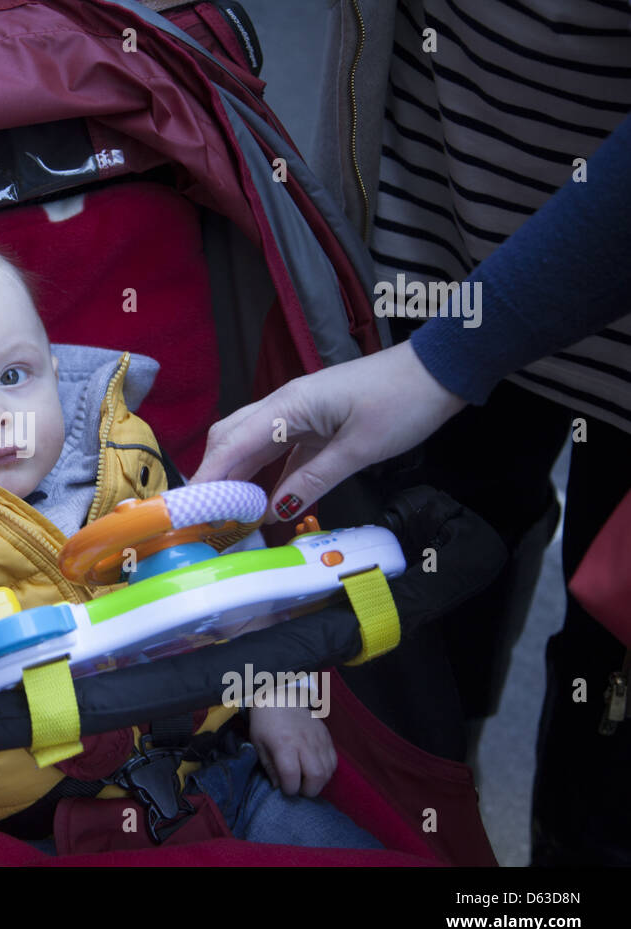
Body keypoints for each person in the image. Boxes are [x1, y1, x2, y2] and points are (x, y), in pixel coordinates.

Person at [0, 236, 380, 850]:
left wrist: (276, 690)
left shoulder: (136, 470)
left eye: (12, 376)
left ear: (54, 372)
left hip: (219, 774)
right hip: (41, 831)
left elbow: (245, 586)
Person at [195, 111, 631, 864]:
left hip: (575, 293)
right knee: (443, 605)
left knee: (611, 671)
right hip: (442, 226)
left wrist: (446, 360)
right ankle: (448, 777)